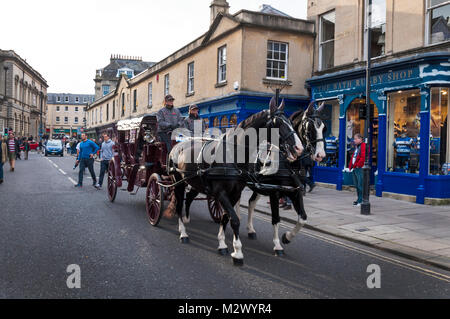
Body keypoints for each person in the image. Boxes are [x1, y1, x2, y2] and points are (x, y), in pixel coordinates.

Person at [348, 133, 366, 206]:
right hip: (354, 168)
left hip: (359, 168)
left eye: (355, 139)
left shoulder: (363, 145)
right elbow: (354, 157)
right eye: (354, 139)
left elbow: (363, 157)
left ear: (360, 139)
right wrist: (350, 166)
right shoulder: (357, 146)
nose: (354, 140)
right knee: (356, 185)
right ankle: (359, 199)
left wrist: (357, 165)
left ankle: (361, 200)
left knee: (360, 185)